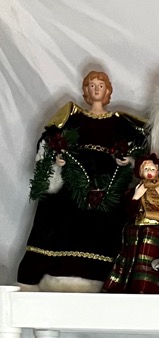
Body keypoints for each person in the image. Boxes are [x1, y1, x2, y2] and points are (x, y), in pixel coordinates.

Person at [18, 70, 146, 290]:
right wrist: (57, 158)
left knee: (104, 227)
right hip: (71, 182)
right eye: (92, 85)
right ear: (85, 90)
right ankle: (53, 271)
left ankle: (99, 275)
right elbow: (51, 140)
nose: (96, 89)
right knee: (60, 218)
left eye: (101, 86)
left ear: (108, 91)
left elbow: (138, 149)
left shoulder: (122, 123)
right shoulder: (72, 117)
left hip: (106, 186)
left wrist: (128, 161)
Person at [103, 155, 159, 293]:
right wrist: (136, 196)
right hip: (137, 228)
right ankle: (131, 283)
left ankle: (150, 284)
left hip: (158, 229)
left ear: (158, 171)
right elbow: (126, 211)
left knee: (151, 239)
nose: (149, 171)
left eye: (152, 169)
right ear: (140, 172)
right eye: (146, 169)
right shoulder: (135, 190)